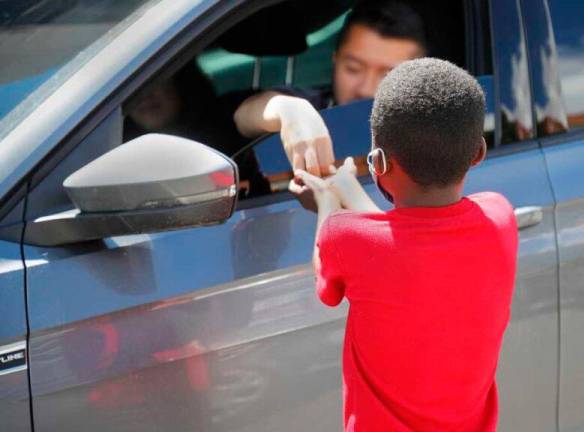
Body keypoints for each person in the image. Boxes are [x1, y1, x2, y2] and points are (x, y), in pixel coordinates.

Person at [295, 58, 519, 431]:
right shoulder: (500, 217)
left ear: (378, 162)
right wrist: (351, 193)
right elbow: (406, 247)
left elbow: (329, 280)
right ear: (478, 153)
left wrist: (329, 203)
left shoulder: (343, 237)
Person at [233, 0, 428, 177]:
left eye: (388, 75)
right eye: (353, 69)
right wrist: (287, 110)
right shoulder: (317, 107)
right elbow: (245, 116)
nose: (366, 89)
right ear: (335, 60)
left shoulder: (435, 135)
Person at [125, 62, 271, 198]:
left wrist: (283, 109)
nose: (144, 95)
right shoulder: (112, 148)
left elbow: (259, 109)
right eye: (132, 85)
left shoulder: (222, 120)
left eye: (155, 79)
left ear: (181, 79)